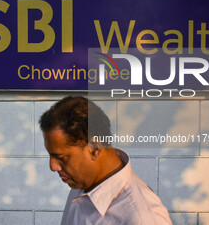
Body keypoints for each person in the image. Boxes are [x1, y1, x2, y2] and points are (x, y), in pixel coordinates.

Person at [39, 96, 172, 225]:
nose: (53, 166)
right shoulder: (80, 184)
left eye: (61, 158)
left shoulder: (144, 218)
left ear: (94, 149)